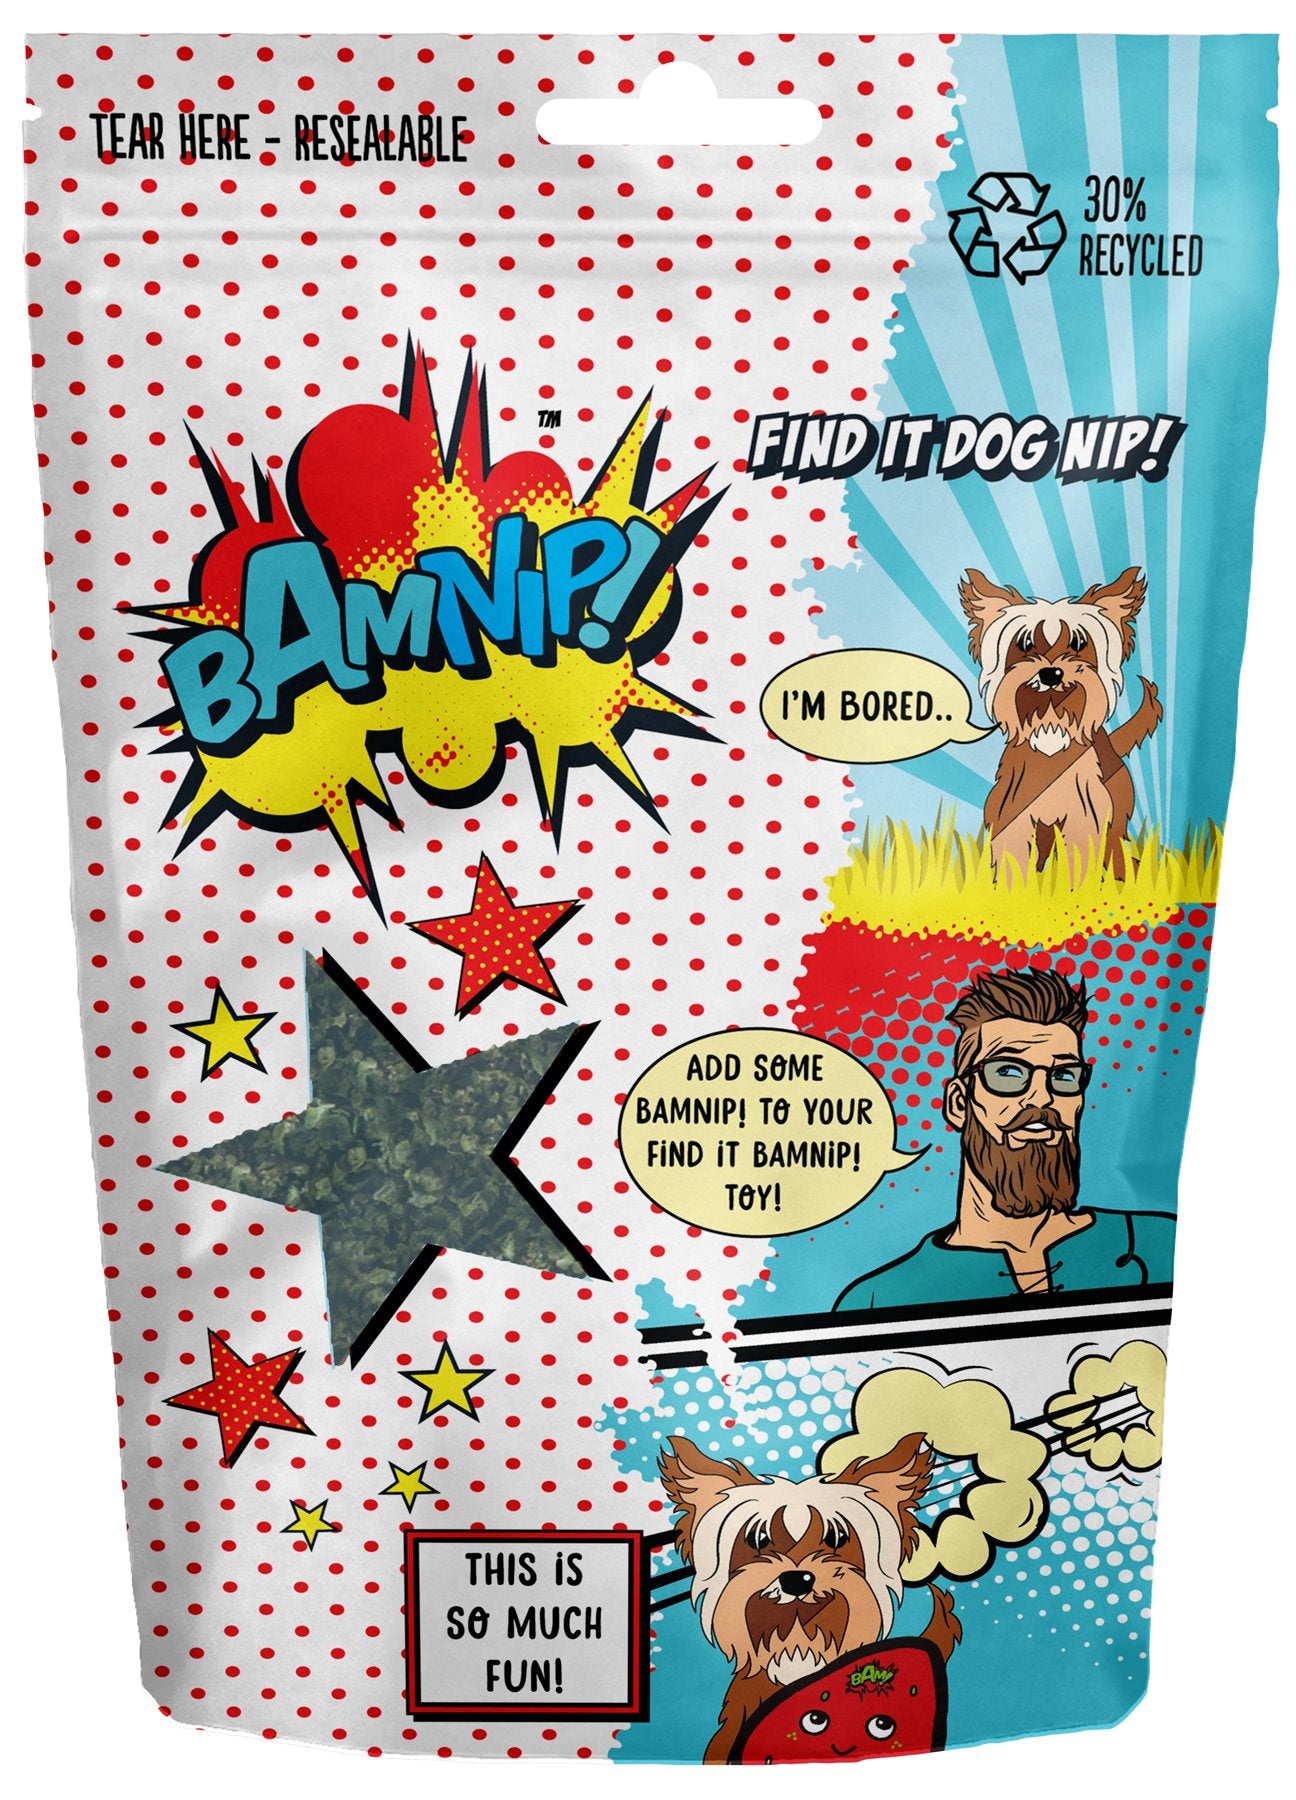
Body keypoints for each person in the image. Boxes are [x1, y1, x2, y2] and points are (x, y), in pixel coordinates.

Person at [835, 966, 1175, 1310]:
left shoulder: (1158, 1244)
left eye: (1063, 1076)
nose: (1042, 1098)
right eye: (1008, 1073)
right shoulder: (875, 1300)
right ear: (959, 1103)